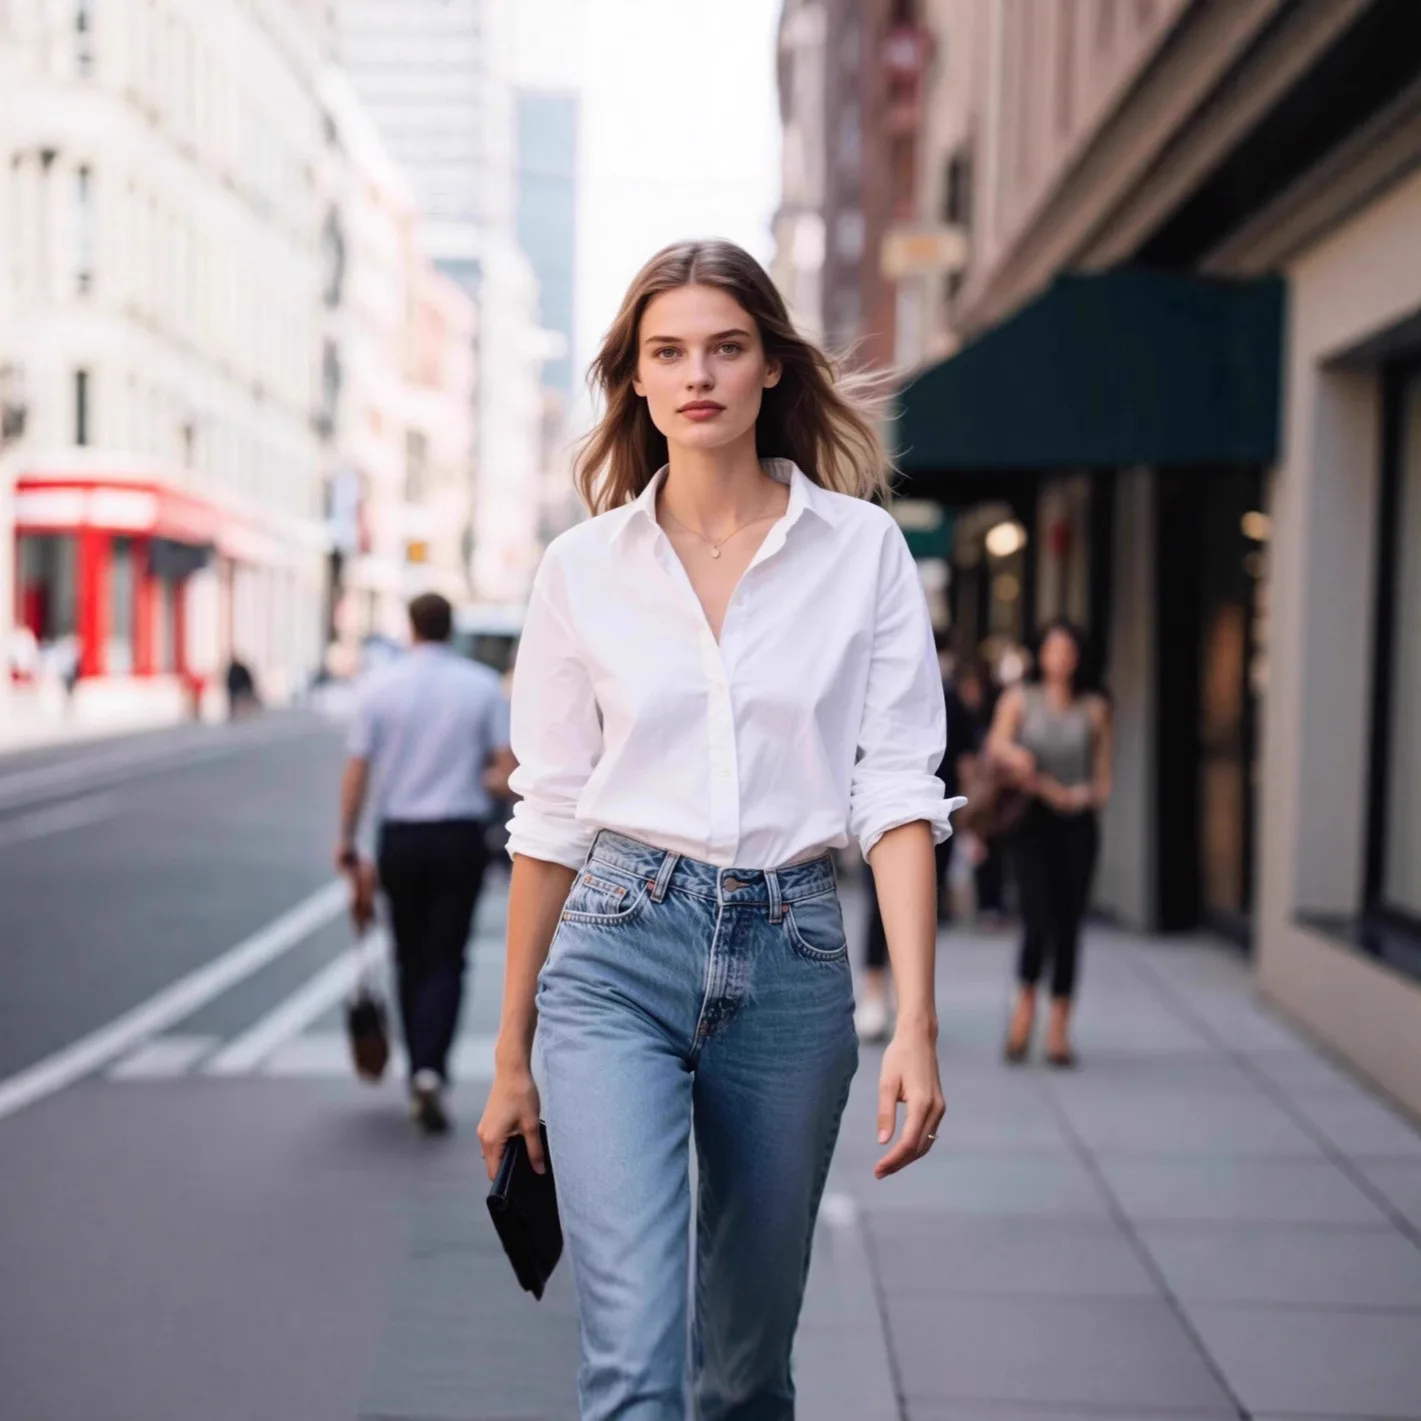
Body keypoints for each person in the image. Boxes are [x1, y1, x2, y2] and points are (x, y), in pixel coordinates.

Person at [476, 239, 960, 1420]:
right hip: (615, 951)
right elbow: (546, 816)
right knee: (634, 1366)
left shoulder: (862, 552)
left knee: (743, 1376)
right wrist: (507, 1058)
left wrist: (914, 1024)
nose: (697, 373)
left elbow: (897, 791)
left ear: (769, 370)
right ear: (634, 379)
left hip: (791, 958)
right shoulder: (579, 569)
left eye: (725, 346)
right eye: (667, 351)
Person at [336, 592, 516, 1134]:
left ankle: (419, 1065)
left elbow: (357, 771)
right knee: (449, 955)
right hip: (459, 836)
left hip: (401, 838)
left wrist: (346, 839)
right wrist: (470, 779)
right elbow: (506, 771)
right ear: (450, 627)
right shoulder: (481, 686)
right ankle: (433, 1068)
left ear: (410, 628)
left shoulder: (379, 687)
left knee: (409, 954)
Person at [985, 621, 1113, 1067]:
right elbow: (996, 746)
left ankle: (1058, 1028)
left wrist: (1080, 795)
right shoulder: (1021, 699)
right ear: (1041, 654)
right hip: (1030, 822)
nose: (1060, 659)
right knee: (1036, 919)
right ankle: (1023, 1016)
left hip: (1076, 826)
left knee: (1069, 926)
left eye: (1069, 651)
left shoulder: (1094, 708)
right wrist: (1019, 759)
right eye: (1053, 650)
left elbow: (1103, 781)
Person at [854, 643, 975, 1042]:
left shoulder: (950, 699)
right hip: (882, 815)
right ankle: (875, 990)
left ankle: (909, 1002)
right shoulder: (872, 691)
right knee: (878, 904)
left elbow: (967, 761)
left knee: (923, 899)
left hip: (938, 818)